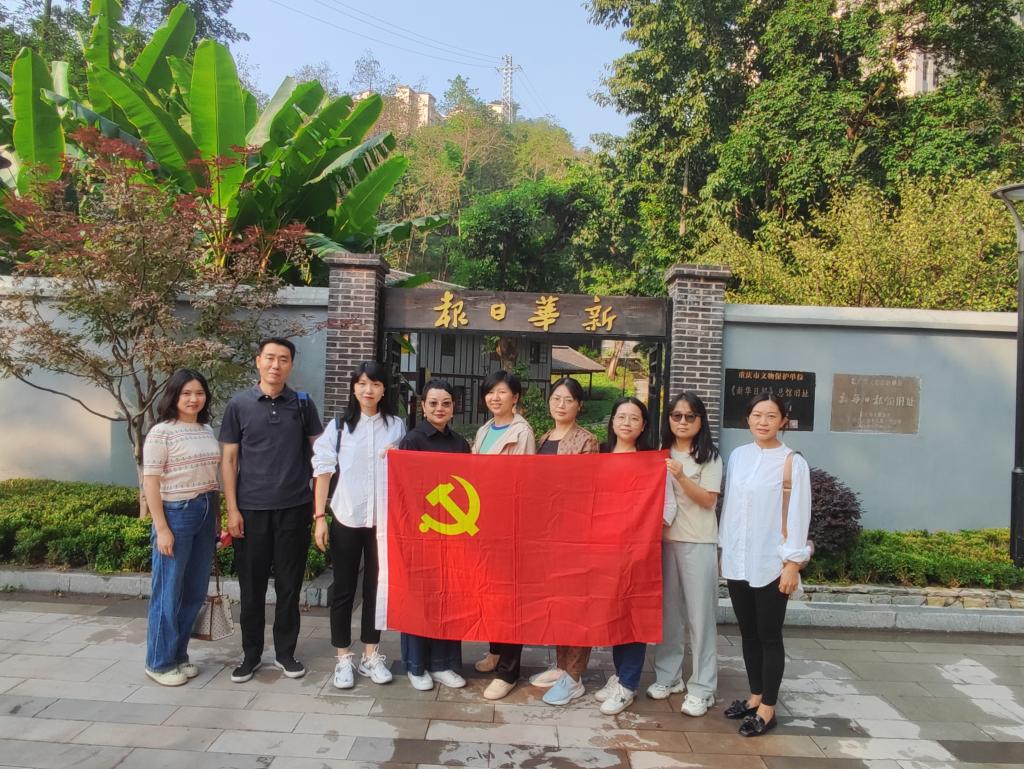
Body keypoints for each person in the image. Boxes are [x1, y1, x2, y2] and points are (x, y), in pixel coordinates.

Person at [220, 338, 323, 683]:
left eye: (283, 359)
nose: (275, 365)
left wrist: (317, 504)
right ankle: (250, 655)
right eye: (270, 358)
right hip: (251, 511)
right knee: (251, 589)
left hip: (294, 509)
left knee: (289, 587)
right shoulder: (239, 405)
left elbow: (319, 454)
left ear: (291, 364)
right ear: (258, 361)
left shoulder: (303, 404)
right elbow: (229, 460)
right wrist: (232, 509)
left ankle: (285, 653)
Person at [719, 392, 811, 737]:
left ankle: (769, 708)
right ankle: (755, 695)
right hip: (739, 560)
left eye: (771, 416)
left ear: (783, 421)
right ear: (748, 418)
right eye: (757, 415)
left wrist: (793, 564)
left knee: (769, 635)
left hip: (772, 562)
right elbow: (731, 509)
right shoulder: (738, 456)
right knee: (748, 632)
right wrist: (725, 550)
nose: (763, 422)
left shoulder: (792, 463)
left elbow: (799, 514)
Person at [313, 361, 406, 690]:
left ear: (384, 389)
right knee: (343, 589)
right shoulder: (339, 427)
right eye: (363, 383)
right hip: (347, 516)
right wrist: (319, 518)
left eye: (375, 384)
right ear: (354, 388)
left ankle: (371, 654)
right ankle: (343, 658)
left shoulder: (396, 426)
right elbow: (323, 471)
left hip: (382, 521)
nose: (369, 390)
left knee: (376, 589)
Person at [142, 369, 221, 686]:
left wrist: (216, 518)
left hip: (205, 509)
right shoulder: (161, 432)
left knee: (194, 590)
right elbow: (150, 482)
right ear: (174, 396)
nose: (193, 399)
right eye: (186, 393)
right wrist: (161, 528)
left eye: (199, 393)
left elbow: (212, 476)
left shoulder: (205, 429)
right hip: (177, 513)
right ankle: (158, 662)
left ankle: (178, 655)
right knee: (168, 591)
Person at [649, 391, 722, 716]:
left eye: (689, 416)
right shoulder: (659, 453)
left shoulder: (709, 456)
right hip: (665, 542)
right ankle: (668, 676)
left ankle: (703, 687)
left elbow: (708, 500)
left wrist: (679, 475)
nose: (682, 422)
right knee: (668, 615)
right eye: (676, 416)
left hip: (698, 542)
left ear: (700, 420)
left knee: (700, 618)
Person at [395, 378, 470, 692]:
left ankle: (443, 664)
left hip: (453, 534)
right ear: (423, 406)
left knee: (449, 599)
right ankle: (416, 665)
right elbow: (405, 489)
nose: (440, 408)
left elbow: (469, 489)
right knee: (418, 599)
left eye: (446, 403)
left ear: (453, 408)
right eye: (434, 403)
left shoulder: (461, 444)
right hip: (420, 533)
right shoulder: (412, 441)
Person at [530, 376, 600, 706]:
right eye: (556, 398)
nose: (561, 404)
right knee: (556, 601)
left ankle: (575, 676)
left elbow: (583, 487)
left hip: (573, 533)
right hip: (545, 533)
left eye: (568, 400)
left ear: (578, 406)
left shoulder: (586, 440)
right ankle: (561, 666)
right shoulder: (543, 438)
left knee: (576, 604)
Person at [592, 397, 660, 715]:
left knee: (634, 612)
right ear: (612, 421)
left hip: (637, 549)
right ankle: (619, 675)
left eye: (634, 418)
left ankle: (629, 684)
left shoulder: (651, 463)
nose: (627, 423)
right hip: (605, 548)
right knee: (615, 612)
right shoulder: (599, 457)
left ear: (643, 425)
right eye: (621, 416)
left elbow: (663, 509)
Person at [471, 369, 536, 700]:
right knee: (491, 592)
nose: (495, 398)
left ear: (515, 397)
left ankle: (509, 670)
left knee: (511, 598)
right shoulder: (484, 430)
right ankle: (495, 651)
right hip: (483, 522)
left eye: (502, 392)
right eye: (490, 392)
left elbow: (524, 483)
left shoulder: (521, 432)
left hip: (509, 524)